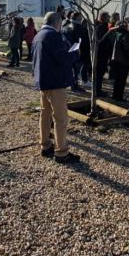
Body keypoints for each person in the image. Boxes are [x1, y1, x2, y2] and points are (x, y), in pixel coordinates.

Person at [32, 11, 80, 164]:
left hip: (43, 81)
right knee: (60, 118)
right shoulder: (53, 36)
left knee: (45, 114)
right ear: (57, 22)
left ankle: (45, 145)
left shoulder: (38, 35)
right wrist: (75, 53)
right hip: (55, 82)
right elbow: (63, 58)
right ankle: (61, 152)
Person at [109, 22, 129, 101]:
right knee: (122, 80)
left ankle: (114, 95)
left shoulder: (115, 34)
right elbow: (127, 48)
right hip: (123, 60)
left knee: (117, 79)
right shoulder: (126, 35)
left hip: (115, 59)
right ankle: (119, 96)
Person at [94, 12, 113, 97]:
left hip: (102, 53)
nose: (109, 18)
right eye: (108, 17)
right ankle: (97, 91)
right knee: (99, 73)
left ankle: (98, 90)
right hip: (101, 54)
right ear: (104, 18)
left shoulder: (102, 26)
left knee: (100, 73)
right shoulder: (101, 27)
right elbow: (102, 41)